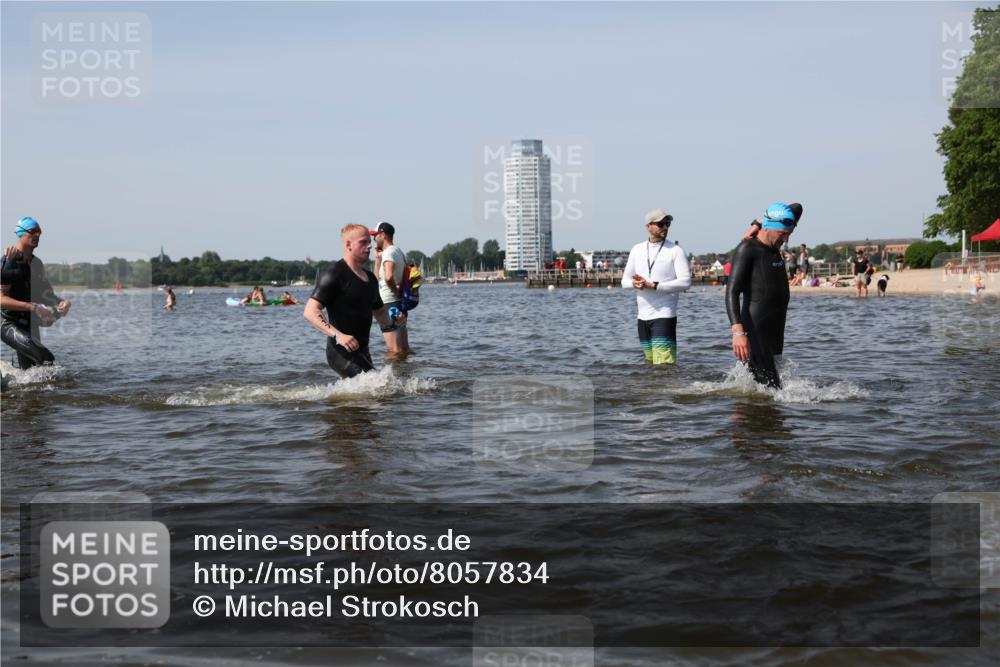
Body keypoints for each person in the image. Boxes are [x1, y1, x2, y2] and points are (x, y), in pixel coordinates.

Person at [304, 223, 400, 378]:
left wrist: (394, 321)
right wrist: (338, 336)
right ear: (348, 244)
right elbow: (310, 311)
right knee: (378, 389)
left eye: (370, 241)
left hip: (362, 352)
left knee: (375, 391)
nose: (369, 246)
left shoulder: (370, 279)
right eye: (363, 242)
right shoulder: (334, 274)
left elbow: (381, 314)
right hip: (340, 352)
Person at [726, 202, 803, 389]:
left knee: (770, 389)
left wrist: (758, 222)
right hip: (755, 329)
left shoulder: (773, 243)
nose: (785, 239)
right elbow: (732, 292)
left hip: (775, 329)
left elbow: (798, 207)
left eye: (789, 235)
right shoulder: (748, 249)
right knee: (772, 389)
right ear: (770, 227)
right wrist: (738, 333)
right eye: (782, 234)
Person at [621, 208, 692, 365]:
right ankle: (652, 390)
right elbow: (624, 282)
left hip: (664, 315)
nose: (665, 227)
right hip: (642, 317)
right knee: (650, 363)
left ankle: (668, 389)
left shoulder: (675, 250)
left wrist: (654, 285)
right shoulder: (637, 249)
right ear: (648, 226)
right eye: (661, 224)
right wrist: (635, 284)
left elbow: (686, 282)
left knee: (664, 364)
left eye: (668, 224)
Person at [0, 217, 72, 369]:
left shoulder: (37, 264)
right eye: (33, 232)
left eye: (39, 233)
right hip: (9, 324)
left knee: (31, 373)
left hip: (31, 325)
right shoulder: (9, 260)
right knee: (47, 360)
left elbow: (46, 293)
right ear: (21, 233)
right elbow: (1, 300)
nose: (37, 236)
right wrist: (32, 307)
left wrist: (60, 302)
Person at [371, 221, 411, 356]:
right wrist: (377, 259)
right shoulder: (398, 251)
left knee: (393, 350)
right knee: (404, 348)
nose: (374, 239)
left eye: (375, 236)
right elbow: (377, 279)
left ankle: (392, 376)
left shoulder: (388, 254)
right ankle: (406, 375)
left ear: (383, 235)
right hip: (399, 303)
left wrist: (394, 290)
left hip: (389, 303)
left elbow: (388, 277)